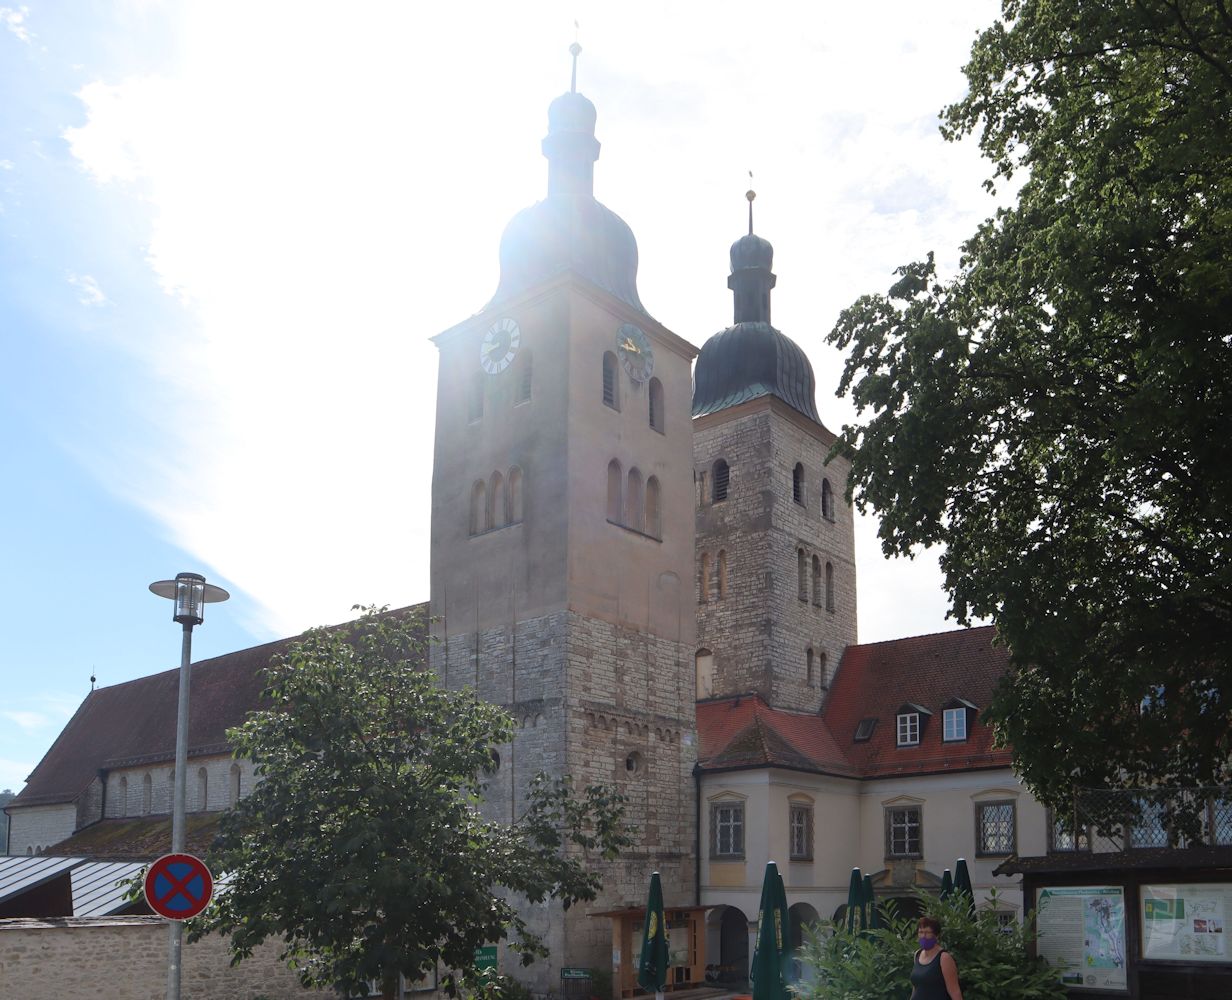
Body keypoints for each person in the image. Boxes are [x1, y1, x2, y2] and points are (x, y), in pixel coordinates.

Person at [909, 916, 963, 1000]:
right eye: (921, 932)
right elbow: (916, 988)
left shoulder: (944, 958)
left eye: (927, 932)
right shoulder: (917, 954)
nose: (923, 936)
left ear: (936, 936)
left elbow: (955, 991)